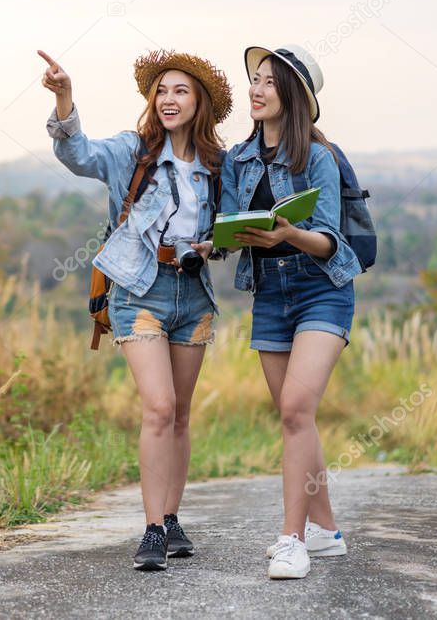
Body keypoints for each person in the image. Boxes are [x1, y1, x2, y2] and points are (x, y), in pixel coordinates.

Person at [39, 48, 230, 571]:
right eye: (161, 90)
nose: (168, 99)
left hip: (193, 297)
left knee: (182, 414)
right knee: (159, 408)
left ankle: (171, 519)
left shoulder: (218, 164)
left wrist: (216, 244)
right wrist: (64, 98)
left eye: (180, 91)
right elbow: (78, 155)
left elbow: (231, 229)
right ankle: (150, 530)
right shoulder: (132, 151)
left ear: (200, 103)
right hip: (137, 290)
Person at [219, 44, 362, 580]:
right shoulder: (238, 159)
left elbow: (328, 241)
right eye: (253, 80)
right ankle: (327, 533)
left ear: (293, 96)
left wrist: (288, 233)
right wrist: (220, 241)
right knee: (295, 417)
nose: (255, 90)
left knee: (296, 410)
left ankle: (291, 540)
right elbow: (228, 226)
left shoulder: (316, 157)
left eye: (269, 83)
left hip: (321, 287)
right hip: (270, 293)